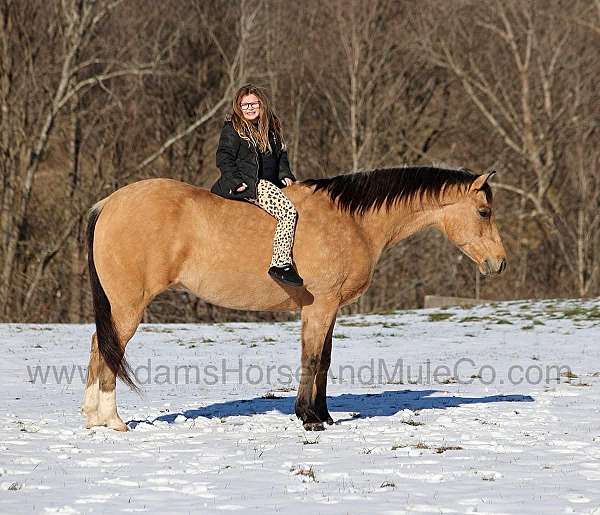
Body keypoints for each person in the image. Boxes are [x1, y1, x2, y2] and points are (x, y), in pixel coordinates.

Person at [211, 84, 304, 287]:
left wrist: (285, 175)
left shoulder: (272, 127)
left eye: (253, 103)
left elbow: (281, 157)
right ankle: (280, 264)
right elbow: (224, 157)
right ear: (238, 107)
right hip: (249, 182)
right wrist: (235, 182)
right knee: (288, 212)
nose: (249, 108)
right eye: (245, 105)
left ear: (261, 104)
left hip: (269, 182)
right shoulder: (233, 129)